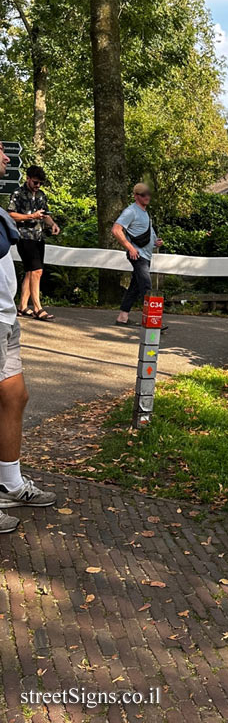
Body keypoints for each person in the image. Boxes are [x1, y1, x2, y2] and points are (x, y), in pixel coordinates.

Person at [0, 143, 57, 532]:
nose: (6, 158)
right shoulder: (18, 198)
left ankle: (9, 483)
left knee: (15, 395)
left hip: (5, 316)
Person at [7, 165, 60, 321]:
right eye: (35, 182)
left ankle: (22, 306)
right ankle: (38, 308)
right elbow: (10, 214)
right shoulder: (18, 194)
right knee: (37, 271)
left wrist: (52, 224)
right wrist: (31, 217)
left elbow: (45, 215)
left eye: (40, 183)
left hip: (38, 236)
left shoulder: (41, 195)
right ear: (28, 179)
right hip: (24, 236)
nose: (38, 186)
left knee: (31, 271)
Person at [111, 183, 163, 326]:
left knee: (134, 287)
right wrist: (130, 248)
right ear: (136, 196)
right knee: (146, 286)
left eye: (148, 194)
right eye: (143, 194)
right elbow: (116, 230)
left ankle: (122, 317)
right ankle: (152, 320)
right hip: (137, 256)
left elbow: (145, 232)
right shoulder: (131, 211)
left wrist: (155, 242)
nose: (147, 197)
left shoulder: (145, 213)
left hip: (146, 255)